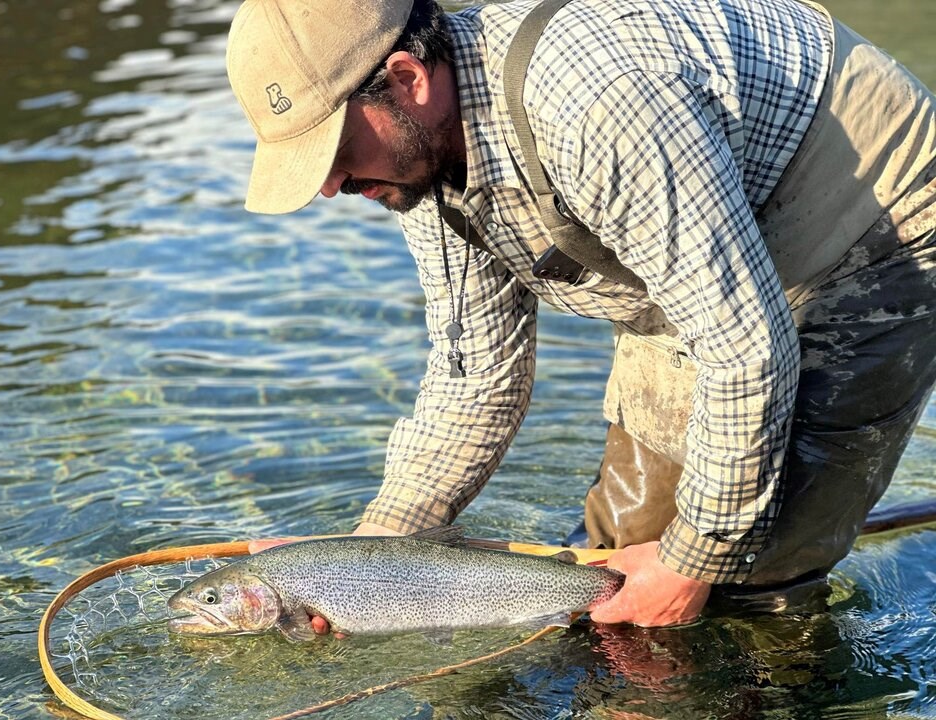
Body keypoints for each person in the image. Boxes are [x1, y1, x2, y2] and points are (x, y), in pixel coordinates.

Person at [228, 0, 936, 628]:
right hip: (700, 243)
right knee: (609, 569)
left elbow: (745, 350)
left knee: (751, 578)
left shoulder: (595, 105)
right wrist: (373, 549)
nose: (328, 186)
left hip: (868, 220)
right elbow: (475, 378)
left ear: (408, 80)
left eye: (334, 150)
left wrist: (696, 560)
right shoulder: (417, 163)